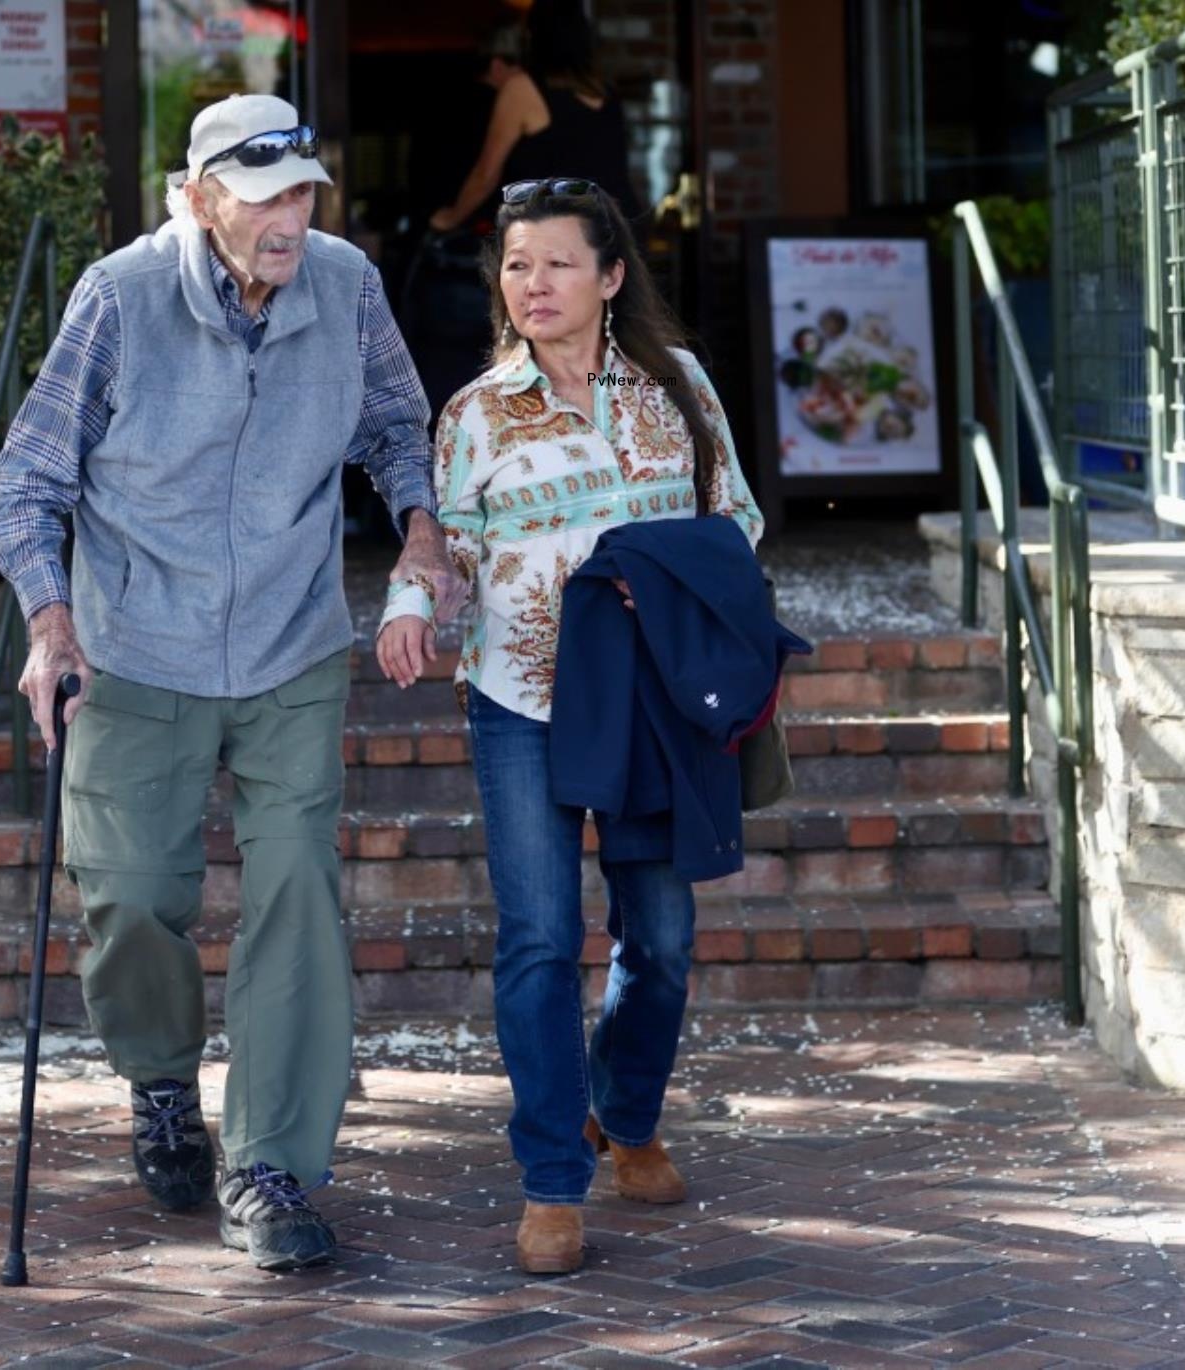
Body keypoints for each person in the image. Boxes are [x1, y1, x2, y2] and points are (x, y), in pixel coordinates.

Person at [0, 93, 464, 1273]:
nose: (288, 220)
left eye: (302, 194)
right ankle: (160, 1080)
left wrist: (420, 533)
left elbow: (401, 427)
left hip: (291, 639)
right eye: (262, 201)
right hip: (136, 645)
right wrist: (51, 628)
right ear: (197, 200)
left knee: (297, 885)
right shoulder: (120, 298)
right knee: (134, 896)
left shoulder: (346, 286)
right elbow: (27, 484)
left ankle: (272, 1162)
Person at [376, 179, 762, 1275]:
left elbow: (735, 516)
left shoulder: (678, 389)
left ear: (610, 277)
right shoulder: (476, 412)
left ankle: (625, 1112)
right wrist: (412, 609)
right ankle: (552, 1177)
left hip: (651, 704)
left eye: (555, 263)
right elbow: (443, 548)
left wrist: (664, 588)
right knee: (541, 940)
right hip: (521, 699)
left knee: (664, 936)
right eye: (514, 265)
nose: (531, 284)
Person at [428, 0, 641, 234]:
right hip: (618, 230)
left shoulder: (522, 89)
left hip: (566, 235)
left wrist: (450, 217)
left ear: (533, 39)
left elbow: (486, 175)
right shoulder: (605, 92)